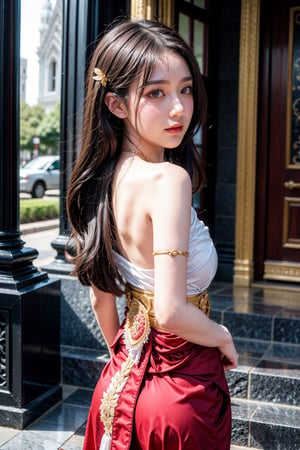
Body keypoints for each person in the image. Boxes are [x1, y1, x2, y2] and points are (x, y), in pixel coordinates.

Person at [66, 18, 238, 450]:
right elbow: (172, 311)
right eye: (156, 93)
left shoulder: (102, 179)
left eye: (185, 88)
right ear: (117, 104)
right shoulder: (168, 180)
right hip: (179, 393)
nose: (179, 108)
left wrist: (124, 361)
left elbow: (101, 297)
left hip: (119, 383)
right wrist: (222, 337)